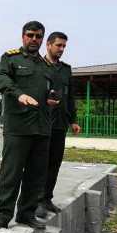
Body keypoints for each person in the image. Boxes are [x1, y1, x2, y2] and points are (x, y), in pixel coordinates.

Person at [0, 21, 59, 230]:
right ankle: (2, 216)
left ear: (42, 39)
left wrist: (52, 100)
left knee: (36, 175)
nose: (34, 39)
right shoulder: (11, 58)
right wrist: (19, 95)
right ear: (22, 37)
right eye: (30, 35)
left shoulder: (47, 67)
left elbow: (50, 91)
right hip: (18, 127)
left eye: (38, 36)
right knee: (11, 173)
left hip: (42, 127)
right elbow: (1, 79)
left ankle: (26, 214)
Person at [36, 31, 81, 219]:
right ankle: (37, 201)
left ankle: (47, 198)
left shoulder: (65, 70)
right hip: (41, 122)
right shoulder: (37, 66)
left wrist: (73, 120)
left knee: (54, 163)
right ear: (48, 45)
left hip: (60, 124)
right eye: (58, 45)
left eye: (64, 46)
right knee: (40, 164)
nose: (61, 49)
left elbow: (70, 97)